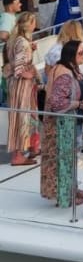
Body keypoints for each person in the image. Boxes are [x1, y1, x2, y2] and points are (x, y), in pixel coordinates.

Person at [42, 40, 83, 207]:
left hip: (69, 123)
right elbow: (57, 103)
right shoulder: (64, 73)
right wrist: (79, 104)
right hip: (63, 125)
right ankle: (66, 195)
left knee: (70, 158)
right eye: (80, 53)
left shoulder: (68, 68)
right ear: (71, 54)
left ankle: (72, 189)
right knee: (65, 159)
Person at [5, 12, 39, 166]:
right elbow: (19, 68)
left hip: (14, 85)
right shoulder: (22, 43)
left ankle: (32, 147)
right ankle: (18, 155)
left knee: (25, 117)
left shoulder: (14, 40)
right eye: (34, 22)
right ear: (29, 24)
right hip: (21, 87)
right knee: (22, 118)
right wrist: (29, 74)